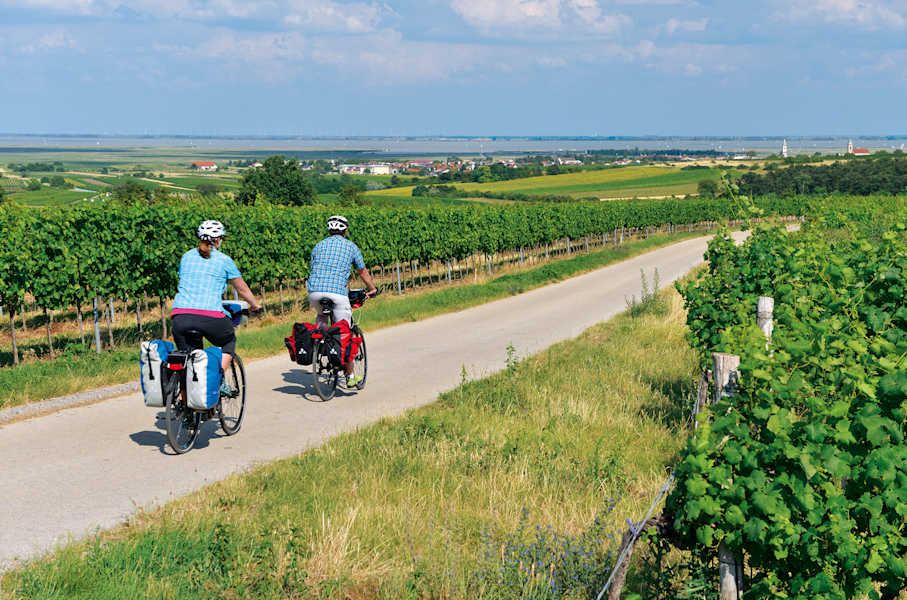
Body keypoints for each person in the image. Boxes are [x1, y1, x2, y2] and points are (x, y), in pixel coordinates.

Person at [171, 220, 261, 393]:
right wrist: (254, 305)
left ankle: (187, 414)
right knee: (229, 341)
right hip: (210, 316)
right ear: (219, 239)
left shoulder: (186, 257)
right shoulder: (224, 260)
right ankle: (218, 380)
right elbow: (242, 289)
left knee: (187, 362)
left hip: (180, 316)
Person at [307, 215, 377, 387]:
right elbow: (362, 271)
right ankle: (350, 375)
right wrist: (372, 289)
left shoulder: (318, 246)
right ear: (345, 230)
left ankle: (321, 343)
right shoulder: (351, 247)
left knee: (322, 319)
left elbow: (315, 269)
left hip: (314, 292)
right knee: (344, 333)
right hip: (337, 294)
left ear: (329, 230)